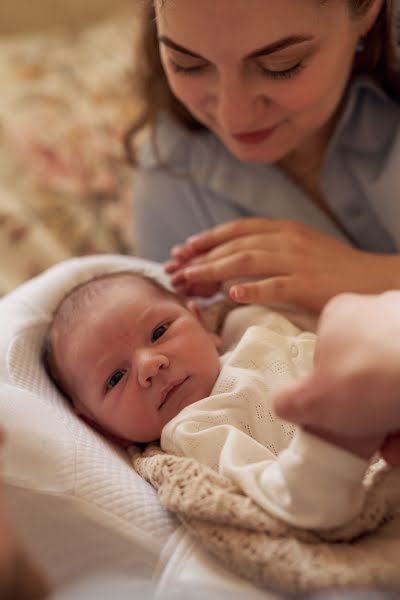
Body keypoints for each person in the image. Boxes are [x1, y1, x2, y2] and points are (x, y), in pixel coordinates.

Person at [42, 271, 386, 531]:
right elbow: (294, 501)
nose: (150, 364)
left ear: (200, 321)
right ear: (101, 427)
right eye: (115, 378)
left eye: (160, 332)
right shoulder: (194, 432)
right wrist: (342, 438)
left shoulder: (249, 321)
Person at [126, 0, 400, 313]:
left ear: (368, 10)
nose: (234, 118)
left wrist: (373, 278)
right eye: (186, 64)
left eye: (281, 66)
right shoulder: (171, 172)